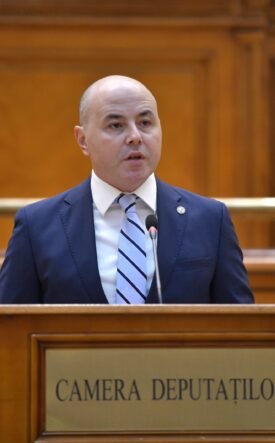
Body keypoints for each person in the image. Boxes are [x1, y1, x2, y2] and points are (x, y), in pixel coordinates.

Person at [0, 75, 254, 304]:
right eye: (116, 125)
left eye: (145, 122)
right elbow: (9, 333)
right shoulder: (37, 225)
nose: (135, 137)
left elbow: (241, 330)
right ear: (83, 140)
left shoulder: (210, 219)